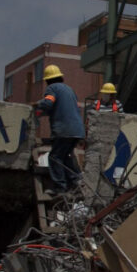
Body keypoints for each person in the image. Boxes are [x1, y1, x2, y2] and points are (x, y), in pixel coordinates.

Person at [36, 64, 86, 195]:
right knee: (66, 156)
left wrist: (37, 106)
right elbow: (63, 108)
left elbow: (48, 103)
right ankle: (75, 180)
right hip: (77, 130)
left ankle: (60, 186)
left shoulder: (52, 88)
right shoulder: (69, 90)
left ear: (48, 80)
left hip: (64, 130)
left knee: (55, 157)